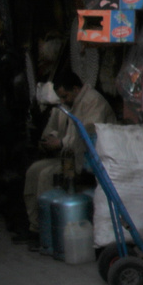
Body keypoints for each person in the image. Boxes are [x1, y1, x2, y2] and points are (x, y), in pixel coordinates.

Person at [22, 65, 114, 246]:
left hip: (87, 159)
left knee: (46, 175)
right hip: (66, 156)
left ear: (76, 89)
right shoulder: (64, 104)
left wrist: (62, 143)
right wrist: (51, 139)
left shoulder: (92, 101)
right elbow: (52, 129)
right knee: (33, 171)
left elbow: (87, 134)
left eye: (66, 96)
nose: (64, 100)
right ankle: (35, 227)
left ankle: (45, 232)